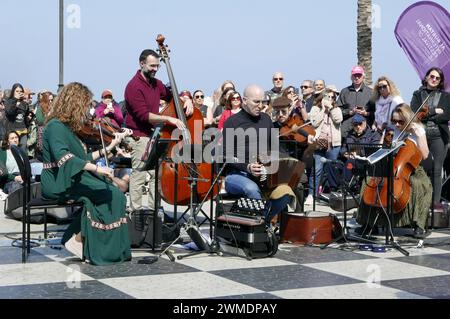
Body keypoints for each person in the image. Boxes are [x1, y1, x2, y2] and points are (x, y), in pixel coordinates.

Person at [41, 82, 131, 265]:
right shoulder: (55, 126)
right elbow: (65, 158)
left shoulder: (67, 127)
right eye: (85, 105)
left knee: (113, 192)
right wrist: (98, 169)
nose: (87, 110)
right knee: (108, 192)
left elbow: (84, 157)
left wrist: (111, 147)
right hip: (57, 182)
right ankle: (83, 241)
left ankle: (84, 240)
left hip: (69, 177)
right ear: (74, 103)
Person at [124, 49, 193, 212]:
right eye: (152, 66)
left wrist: (186, 99)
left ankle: (154, 212)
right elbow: (143, 116)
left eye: (157, 66)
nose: (155, 69)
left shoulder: (157, 83)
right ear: (142, 64)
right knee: (139, 175)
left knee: (156, 176)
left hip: (154, 136)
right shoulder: (133, 86)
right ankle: (135, 213)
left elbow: (171, 96)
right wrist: (169, 119)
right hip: (139, 136)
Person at [222, 85, 296, 223]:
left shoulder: (266, 119)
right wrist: (247, 167)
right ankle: (259, 225)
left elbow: (275, 147)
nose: (261, 106)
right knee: (251, 188)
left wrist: (287, 163)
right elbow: (226, 154)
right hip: (237, 174)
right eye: (256, 102)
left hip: (265, 174)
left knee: (286, 191)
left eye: (263, 102)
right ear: (244, 100)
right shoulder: (232, 122)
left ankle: (264, 222)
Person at [356, 104, 432, 238]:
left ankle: (418, 225)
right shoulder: (393, 130)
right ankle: (368, 223)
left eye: (400, 122)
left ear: (408, 119)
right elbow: (385, 150)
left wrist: (418, 135)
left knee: (420, 185)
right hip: (391, 166)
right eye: (394, 121)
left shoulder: (418, 130)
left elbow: (425, 155)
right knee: (369, 181)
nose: (396, 124)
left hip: (412, 168)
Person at [411, 67, 450, 206]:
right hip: (421, 136)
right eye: (432, 76)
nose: (434, 79)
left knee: (437, 170)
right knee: (420, 170)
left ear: (440, 81)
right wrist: (434, 111)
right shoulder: (417, 94)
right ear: (426, 77)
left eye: (437, 78)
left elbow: (446, 115)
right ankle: (421, 203)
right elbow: (415, 114)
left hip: (439, 136)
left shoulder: (445, 96)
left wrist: (425, 114)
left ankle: (435, 204)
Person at [306, 86, 343, 205]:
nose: (331, 98)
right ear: (323, 96)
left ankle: (330, 194)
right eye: (328, 96)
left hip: (333, 144)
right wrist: (323, 109)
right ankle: (312, 194)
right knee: (316, 170)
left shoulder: (336, 109)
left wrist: (331, 108)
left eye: (333, 97)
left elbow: (338, 120)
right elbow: (314, 122)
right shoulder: (315, 108)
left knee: (332, 169)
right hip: (319, 143)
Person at [337, 66, 373, 138]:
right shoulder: (344, 92)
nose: (357, 78)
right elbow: (338, 111)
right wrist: (350, 112)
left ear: (363, 77)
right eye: (355, 75)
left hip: (365, 134)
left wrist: (366, 113)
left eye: (359, 75)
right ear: (351, 77)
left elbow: (376, 113)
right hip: (346, 133)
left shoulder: (370, 92)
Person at [4, 83, 29, 151]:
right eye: (17, 91)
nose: (19, 93)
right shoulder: (9, 101)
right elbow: (10, 112)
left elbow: (26, 116)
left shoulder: (24, 103)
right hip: (13, 131)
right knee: (13, 151)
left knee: (22, 151)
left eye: (21, 91)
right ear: (13, 92)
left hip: (23, 131)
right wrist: (15, 99)